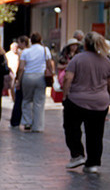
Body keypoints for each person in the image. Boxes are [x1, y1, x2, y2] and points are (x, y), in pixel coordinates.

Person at [61, 32, 110, 174]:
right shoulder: (106, 61)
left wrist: (65, 96)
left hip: (77, 100)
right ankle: (92, 163)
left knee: (71, 128)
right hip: (100, 102)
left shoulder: (77, 59)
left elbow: (68, 78)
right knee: (96, 133)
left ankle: (77, 154)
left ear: (86, 44)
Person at [16, 32, 53, 132]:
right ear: (40, 40)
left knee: (27, 100)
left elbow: (21, 68)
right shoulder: (45, 50)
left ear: (30, 41)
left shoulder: (26, 52)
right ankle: (38, 126)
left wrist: (19, 80)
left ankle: (27, 122)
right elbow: (49, 64)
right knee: (39, 102)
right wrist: (52, 73)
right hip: (40, 76)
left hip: (28, 76)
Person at [10, 35, 29, 126]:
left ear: (23, 43)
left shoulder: (23, 53)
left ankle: (16, 120)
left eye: (19, 42)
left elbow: (21, 68)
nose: (18, 45)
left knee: (19, 99)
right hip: (28, 77)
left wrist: (18, 79)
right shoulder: (27, 52)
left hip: (23, 78)